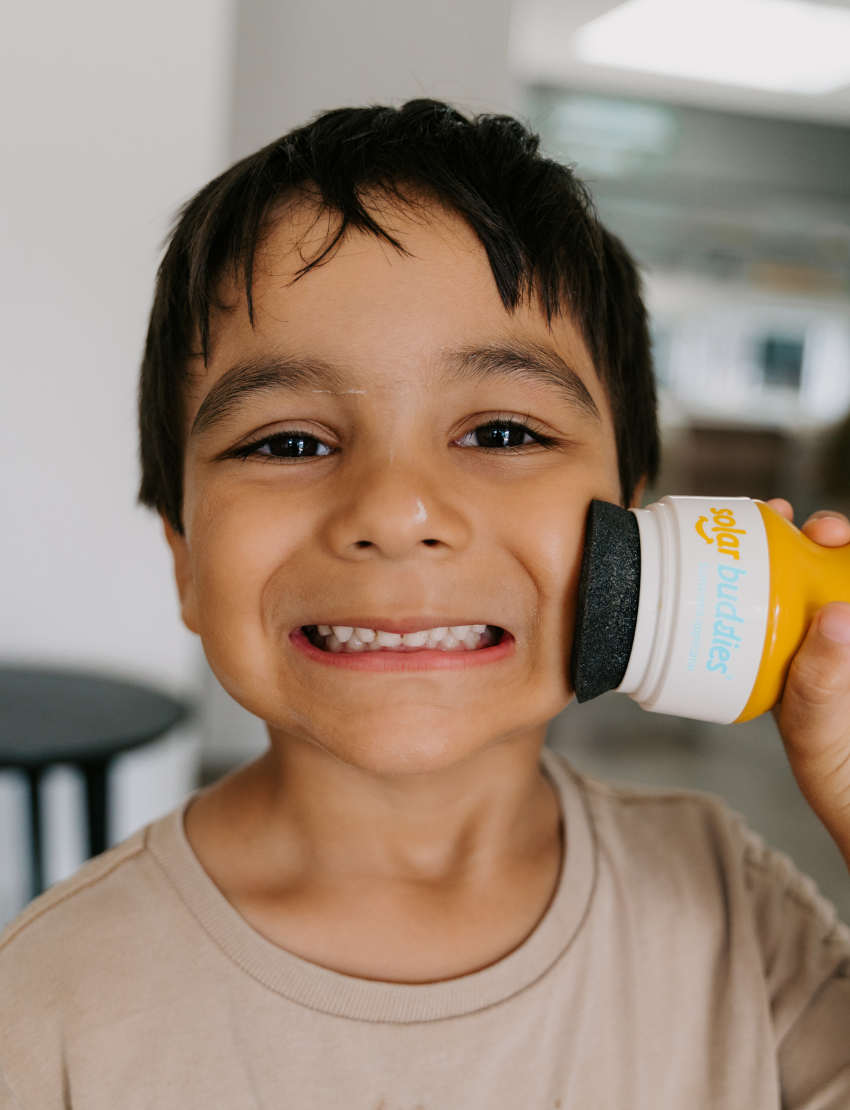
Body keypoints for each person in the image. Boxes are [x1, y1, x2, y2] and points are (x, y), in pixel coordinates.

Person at [2, 99, 850, 1109]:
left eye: (500, 434)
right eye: (286, 443)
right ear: (185, 557)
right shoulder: (46, 1007)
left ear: (632, 534)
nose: (395, 513)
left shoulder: (738, 913)